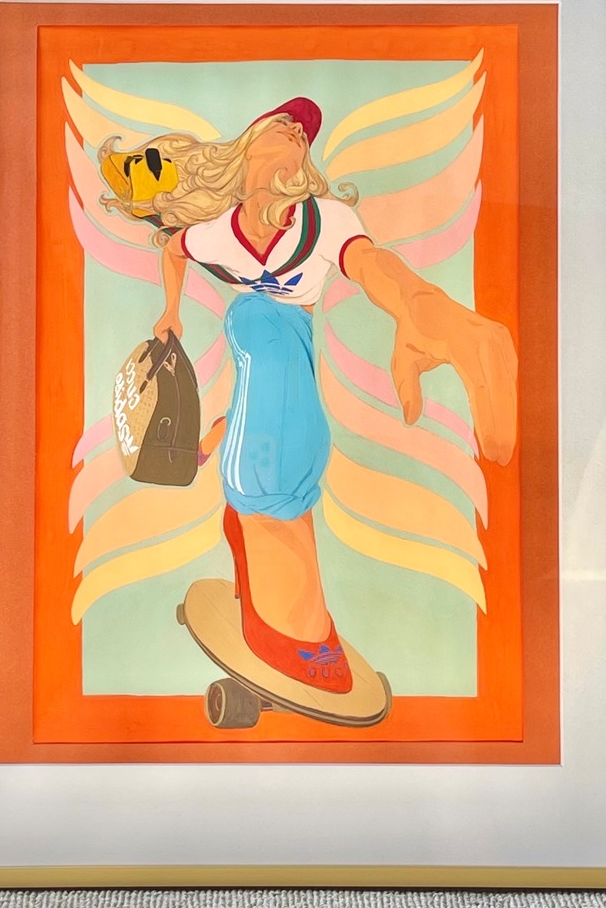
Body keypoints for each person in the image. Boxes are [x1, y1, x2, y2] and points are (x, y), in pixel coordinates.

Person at [101, 97, 517, 693]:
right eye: (284, 125)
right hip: (263, 403)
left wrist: (422, 307)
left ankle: (297, 633)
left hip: (285, 414)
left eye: (304, 134)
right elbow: (174, 249)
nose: (299, 131)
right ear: (248, 145)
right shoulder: (217, 235)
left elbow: (372, 265)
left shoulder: (325, 223)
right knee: (256, 413)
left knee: (266, 468)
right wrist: (171, 311)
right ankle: (276, 590)